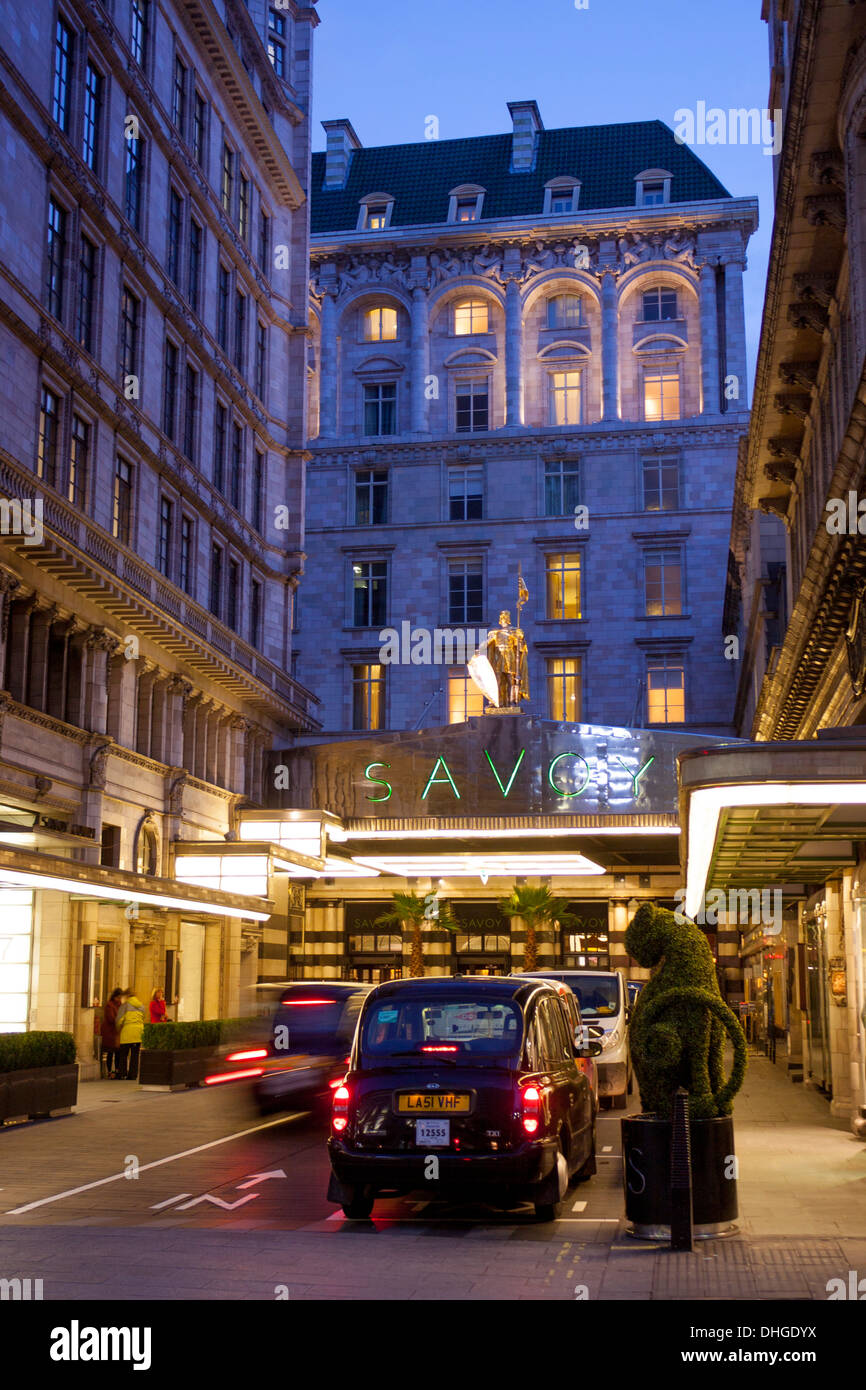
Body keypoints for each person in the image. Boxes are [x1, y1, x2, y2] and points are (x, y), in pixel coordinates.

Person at [116, 989, 145, 1080]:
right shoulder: (141, 1006)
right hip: (138, 1032)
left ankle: (122, 1073)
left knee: (123, 1054)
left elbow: (119, 1020)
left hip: (127, 1032)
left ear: (127, 996)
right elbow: (143, 1017)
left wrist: (117, 1028)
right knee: (135, 1055)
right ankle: (133, 1075)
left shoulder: (125, 1006)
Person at [101, 988, 123, 1079]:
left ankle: (117, 1070)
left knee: (118, 1052)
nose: (119, 999)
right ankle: (109, 1071)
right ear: (114, 997)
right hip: (109, 1032)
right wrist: (120, 1021)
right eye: (118, 997)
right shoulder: (109, 1005)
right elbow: (111, 1018)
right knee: (110, 1052)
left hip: (117, 1032)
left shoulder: (120, 1005)